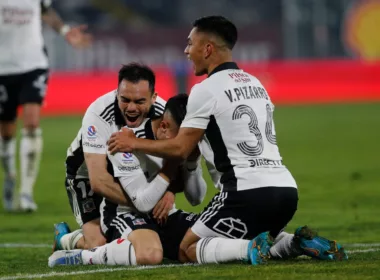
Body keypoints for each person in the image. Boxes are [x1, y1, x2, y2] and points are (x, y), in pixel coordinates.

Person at [107, 16, 348, 265]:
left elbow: (179, 149)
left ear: (208, 48)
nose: (186, 51)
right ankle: (295, 243)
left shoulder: (206, 89)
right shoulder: (257, 83)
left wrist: (133, 143)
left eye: (190, 44)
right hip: (286, 191)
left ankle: (250, 249)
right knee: (250, 238)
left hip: (243, 192)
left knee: (187, 248)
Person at [48, 94, 207, 267]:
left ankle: (149, 239)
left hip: (153, 205)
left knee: (204, 235)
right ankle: (73, 245)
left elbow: (196, 198)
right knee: (111, 246)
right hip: (109, 196)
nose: (185, 146)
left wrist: (191, 163)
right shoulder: (120, 141)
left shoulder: (179, 129)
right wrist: (171, 169)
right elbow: (105, 184)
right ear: (164, 126)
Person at [52, 63, 168, 252]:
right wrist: (146, 203)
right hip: (87, 176)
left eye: (139, 102)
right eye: (125, 100)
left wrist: (168, 192)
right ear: (117, 93)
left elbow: (177, 154)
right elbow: (98, 180)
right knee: (98, 244)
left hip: (131, 171)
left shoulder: (164, 113)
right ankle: (66, 238)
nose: (131, 108)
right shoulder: (99, 114)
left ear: (153, 98)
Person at [0, 0, 92, 212]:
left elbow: (46, 11)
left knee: (31, 122)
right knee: (6, 132)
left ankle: (26, 193)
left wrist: (65, 30)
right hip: (3, 67)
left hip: (33, 64)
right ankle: (10, 176)